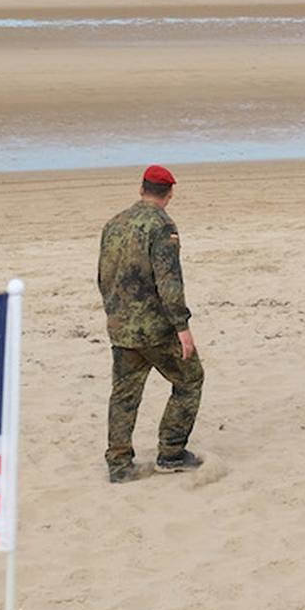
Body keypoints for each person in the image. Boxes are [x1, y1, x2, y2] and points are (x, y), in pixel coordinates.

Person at [98, 164, 205, 482]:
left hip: (120, 325)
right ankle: (171, 452)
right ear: (169, 193)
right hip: (155, 329)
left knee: (124, 393)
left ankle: (118, 464)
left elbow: (104, 276)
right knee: (190, 380)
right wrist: (182, 327)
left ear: (141, 189)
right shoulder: (163, 226)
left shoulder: (114, 223)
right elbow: (169, 283)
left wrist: (113, 311)